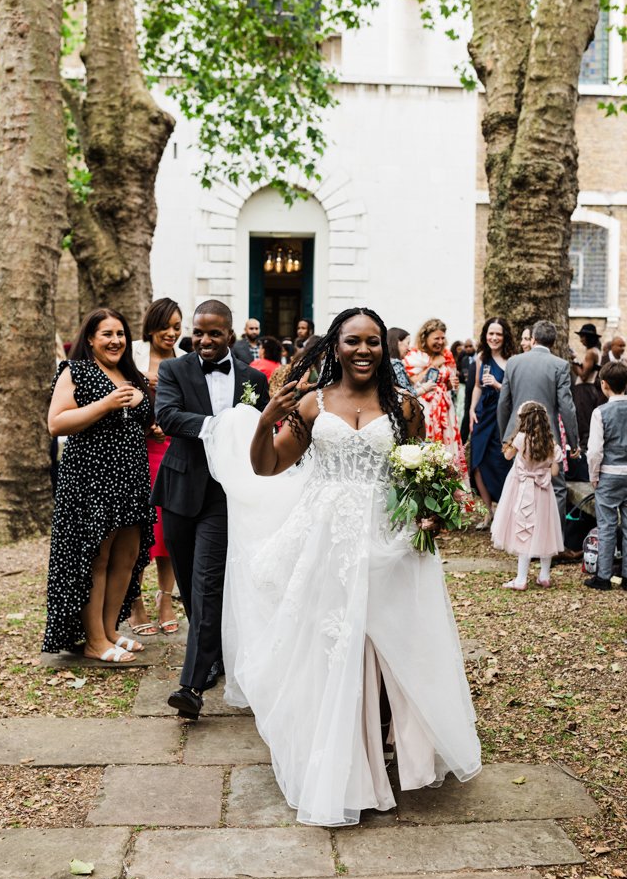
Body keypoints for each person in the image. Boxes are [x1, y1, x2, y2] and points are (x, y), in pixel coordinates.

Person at [204, 307, 481, 826]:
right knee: (335, 642)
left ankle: (380, 743)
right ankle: (340, 754)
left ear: (385, 349)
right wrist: (267, 419)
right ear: (336, 346)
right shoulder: (311, 403)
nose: (363, 350)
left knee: (388, 640)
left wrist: (431, 514)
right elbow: (266, 465)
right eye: (353, 341)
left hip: (388, 539)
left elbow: (419, 475)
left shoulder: (404, 407)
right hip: (327, 537)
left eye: (373, 342)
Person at [152, 300, 269, 719]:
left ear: (230, 335)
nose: (204, 340)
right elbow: (166, 416)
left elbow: (264, 430)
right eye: (198, 332)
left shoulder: (254, 378)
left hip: (225, 494)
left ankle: (192, 685)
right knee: (189, 582)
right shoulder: (173, 371)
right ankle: (213, 652)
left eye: (214, 333)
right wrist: (217, 427)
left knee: (206, 583)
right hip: (181, 489)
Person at [43, 309, 155, 663]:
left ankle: (108, 631)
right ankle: (93, 640)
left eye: (120, 333)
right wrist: (106, 403)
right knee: (98, 556)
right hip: (92, 478)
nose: (115, 340)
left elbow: (138, 419)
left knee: (128, 555)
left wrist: (150, 421)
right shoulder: (76, 371)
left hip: (131, 478)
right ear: (90, 338)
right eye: (107, 334)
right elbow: (56, 423)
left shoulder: (129, 373)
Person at [131, 297, 186, 635]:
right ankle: (134, 601)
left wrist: (171, 425)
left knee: (168, 532)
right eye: (166, 326)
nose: (171, 333)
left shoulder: (185, 362)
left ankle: (165, 598)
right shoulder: (133, 356)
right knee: (139, 531)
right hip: (137, 454)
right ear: (151, 326)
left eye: (177, 327)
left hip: (172, 451)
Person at [498, 320, 580, 534]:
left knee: (520, 484)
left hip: (517, 434)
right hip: (548, 435)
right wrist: (574, 442)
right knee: (557, 488)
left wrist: (505, 437)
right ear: (553, 342)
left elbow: (503, 403)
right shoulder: (560, 365)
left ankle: (520, 538)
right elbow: (567, 407)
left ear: (533, 339)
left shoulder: (514, 362)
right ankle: (553, 541)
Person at [491, 402, 564, 590]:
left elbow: (507, 456)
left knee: (524, 529)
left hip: (522, 488)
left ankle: (521, 579)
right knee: (544, 529)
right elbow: (555, 472)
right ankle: (544, 576)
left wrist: (512, 439)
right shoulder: (551, 443)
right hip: (543, 491)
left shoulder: (521, 438)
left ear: (524, 419)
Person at [404, 318, 469, 483]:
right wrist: (432, 365)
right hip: (425, 407)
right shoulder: (414, 356)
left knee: (448, 448)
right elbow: (413, 382)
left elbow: (447, 382)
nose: (440, 342)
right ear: (425, 338)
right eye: (436, 338)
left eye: (442, 338)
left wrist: (449, 383)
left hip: (445, 408)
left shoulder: (447, 355)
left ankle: (449, 486)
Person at [584, 361, 627, 591]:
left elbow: (595, 451)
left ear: (604, 384)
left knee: (607, 524)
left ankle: (603, 575)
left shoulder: (600, 413)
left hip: (609, 474)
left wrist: (594, 475)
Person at [469, 318, 515, 529]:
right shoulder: (481, 357)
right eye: (490, 333)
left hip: (502, 416)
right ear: (485, 335)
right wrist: (471, 409)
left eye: (498, 334)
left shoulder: (513, 359)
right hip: (483, 413)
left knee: (501, 461)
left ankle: (505, 510)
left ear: (504, 336)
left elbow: (515, 390)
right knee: (477, 461)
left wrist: (498, 385)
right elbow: (478, 386)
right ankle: (487, 511)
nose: (494, 338)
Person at [571, 322, 605, 452]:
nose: (581, 339)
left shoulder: (591, 353)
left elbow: (583, 375)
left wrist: (573, 361)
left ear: (588, 337)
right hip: (587, 389)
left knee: (584, 421)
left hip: (585, 389)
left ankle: (585, 451)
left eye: (583, 336)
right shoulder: (595, 351)